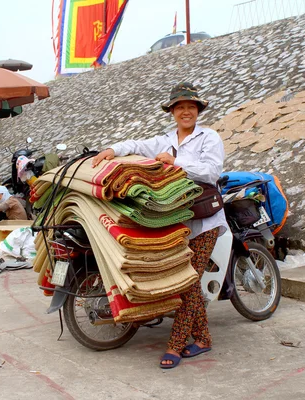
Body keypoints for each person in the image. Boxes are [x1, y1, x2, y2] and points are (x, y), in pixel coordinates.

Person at [91, 82, 229, 369]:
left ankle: (176, 345)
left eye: (191, 107)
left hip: (204, 220)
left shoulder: (209, 137)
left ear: (198, 110)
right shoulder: (165, 139)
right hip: (175, 221)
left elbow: (212, 171)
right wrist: (111, 150)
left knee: (188, 281)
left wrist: (177, 161)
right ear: (173, 112)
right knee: (185, 280)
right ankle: (202, 339)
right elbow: (137, 146)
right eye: (180, 108)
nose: (186, 112)